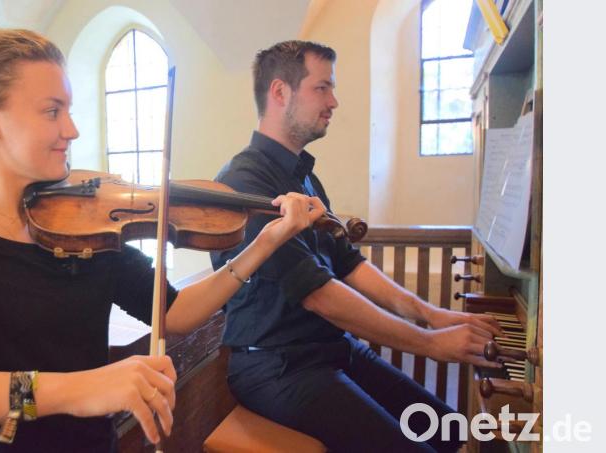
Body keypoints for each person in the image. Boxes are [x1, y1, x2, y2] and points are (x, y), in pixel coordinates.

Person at [0, 29, 326, 453]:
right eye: (51, 111)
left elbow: (174, 312)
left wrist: (265, 242)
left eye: (68, 109)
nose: (72, 129)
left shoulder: (81, 223)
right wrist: (71, 391)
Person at [209, 40, 504, 453]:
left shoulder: (304, 176)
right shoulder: (245, 182)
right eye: (322, 88)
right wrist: (430, 345)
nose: (334, 101)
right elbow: (319, 295)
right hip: (277, 367)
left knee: (449, 430)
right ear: (280, 92)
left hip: (330, 350)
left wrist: (432, 316)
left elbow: (347, 264)